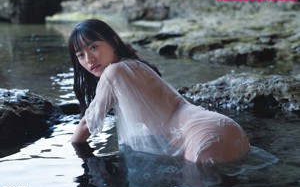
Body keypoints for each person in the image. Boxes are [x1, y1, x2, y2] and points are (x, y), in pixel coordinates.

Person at [68, 19, 250, 164]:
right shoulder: (137, 65)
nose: (89, 59)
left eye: (93, 47)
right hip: (223, 125)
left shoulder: (112, 73)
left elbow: (86, 125)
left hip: (200, 137)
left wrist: (71, 151)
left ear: (113, 41)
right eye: (80, 55)